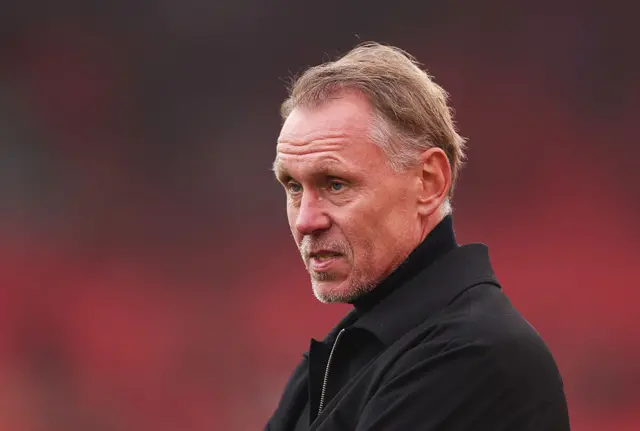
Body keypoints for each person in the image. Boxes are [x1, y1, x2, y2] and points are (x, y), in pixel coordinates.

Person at [265, 42, 570, 431]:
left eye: (336, 184)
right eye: (292, 186)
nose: (306, 220)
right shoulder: (335, 360)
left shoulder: (473, 356)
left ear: (429, 182)